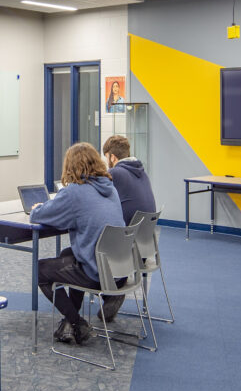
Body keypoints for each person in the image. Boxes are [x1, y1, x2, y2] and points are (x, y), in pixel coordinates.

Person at [29, 142, 125, 345]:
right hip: (119, 269)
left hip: (98, 273)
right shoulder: (111, 189)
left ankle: (77, 322)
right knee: (67, 254)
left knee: (40, 270)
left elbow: (40, 214)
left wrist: (38, 207)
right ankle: (69, 324)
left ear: (70, 166)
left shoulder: (74, 192)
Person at [100, 134, 157, 321]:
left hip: (126, 248)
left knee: (91, 243)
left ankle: (114, 291)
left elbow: (97, 194)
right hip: (144, 247)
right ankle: (116, 289)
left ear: (112, 157)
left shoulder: (116, 173)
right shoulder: (142, 172)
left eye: (105, 157)